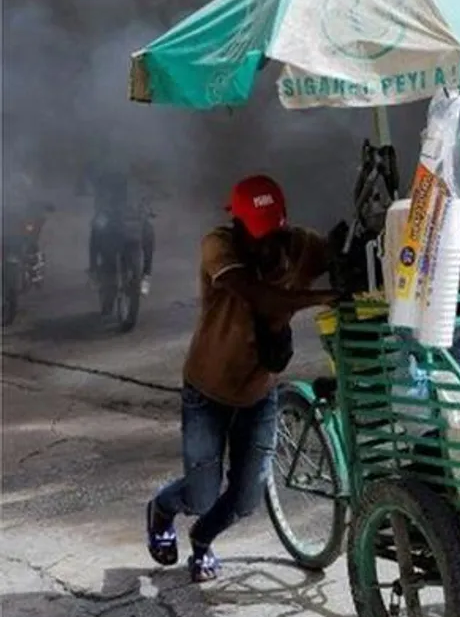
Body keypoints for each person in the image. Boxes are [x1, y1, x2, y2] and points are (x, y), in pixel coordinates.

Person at [145, 174, 337, 582]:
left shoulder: (299, 246)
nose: (267, 245)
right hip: (207, 392)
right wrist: (324, 297)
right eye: (258, 236)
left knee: (247, 497)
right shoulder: (219, 246)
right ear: (238, 225)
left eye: (274, 234)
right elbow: (261, 297)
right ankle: (162, 508)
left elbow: (337, 255)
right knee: (201, 494)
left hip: (258, 393)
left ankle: (202, 539)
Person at [85, 165, 157, 296]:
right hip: (112, 218)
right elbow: (101, 201)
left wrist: (146, 211)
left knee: (149, 232)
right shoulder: (108, 179)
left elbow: (145, 203)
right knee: (96, 228)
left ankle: (146, 275)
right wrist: (103, 210)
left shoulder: (138, 183)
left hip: (132, 224)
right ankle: (93, 270)